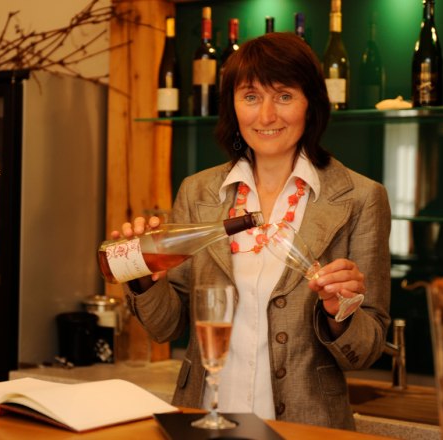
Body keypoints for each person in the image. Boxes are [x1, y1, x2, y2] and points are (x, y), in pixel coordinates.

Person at [111, 32, 391, 430]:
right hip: (203, 418)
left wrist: (340, 312)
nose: (266, 116)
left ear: (311, 103)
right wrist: (144, 280)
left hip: (306, 426)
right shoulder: (199, 191)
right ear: (233, 107)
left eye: (284, 96)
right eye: (251, 97)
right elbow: (167, 327)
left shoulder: (361, 198)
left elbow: (367, 348)